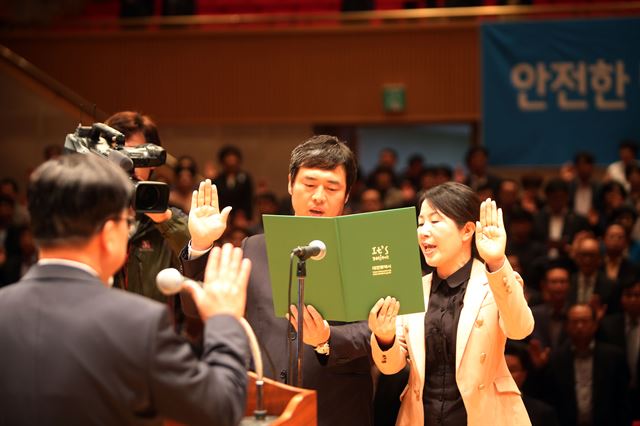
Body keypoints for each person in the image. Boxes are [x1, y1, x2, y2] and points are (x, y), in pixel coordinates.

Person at [0, 154, 251, 426]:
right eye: (126, 222)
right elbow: (219, 408)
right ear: (109, 234)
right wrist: (224, 320)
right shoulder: (139, 324)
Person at [180, 135, 374, 426]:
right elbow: (197, 309)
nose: (319, 196)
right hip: (264, 407)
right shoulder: (253, 247)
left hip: (336, 408)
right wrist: (201, 243)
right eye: (309, 185)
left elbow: (380, 333)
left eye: (332, 187)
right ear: (290, 184)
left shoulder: (363, 253)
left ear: (347, 195)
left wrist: (327, 339)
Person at [368, 182, 534, 426]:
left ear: (467, 231)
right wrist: (384, 338)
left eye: (435, 221)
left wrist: (497, 261)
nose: (424, 231)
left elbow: (520, 329)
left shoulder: (495, 281)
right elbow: (391, 368)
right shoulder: (412, 289)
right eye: (421, 222)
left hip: (487, 417)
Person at [105, 111, 190, 305]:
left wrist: (165, 220)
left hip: (151, 329)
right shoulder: (86, 212)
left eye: (136, 153)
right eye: (118, 152)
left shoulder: (164, 217)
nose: (126, 162)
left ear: (152, 161)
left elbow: (196, 265)